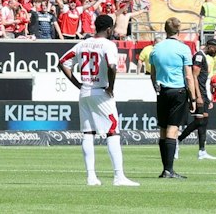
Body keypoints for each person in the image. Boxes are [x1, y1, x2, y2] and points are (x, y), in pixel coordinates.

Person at [57, 13, 136, 187]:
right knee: (112, 131)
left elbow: (62, 62)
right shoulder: (108, 45)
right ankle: (118, 176)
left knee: (88, 133)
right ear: (109, 29)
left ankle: (91, 177)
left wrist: (77, 83)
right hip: (101, 91)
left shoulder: (82, 44)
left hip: (85, 90)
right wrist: (111, 87)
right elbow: (112, 66)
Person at [148, 17, 195, 179]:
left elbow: (153, 75)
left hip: (162, 91)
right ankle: (169, 169)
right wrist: (193, 98)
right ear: (179, 30)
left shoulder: (156, 48)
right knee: (173, 129)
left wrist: (156, 88)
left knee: (162, 129)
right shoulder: (183, 49)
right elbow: (188, 77)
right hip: (178, 91)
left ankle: (165, 169)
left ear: (165, 30)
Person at [185, 37, 216, 161]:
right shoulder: (199, 56)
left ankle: (202, 150)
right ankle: (178, 140)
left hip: (203, 93)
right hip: (199, 94)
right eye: (215, 49)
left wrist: (208, 97)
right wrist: (198, 96)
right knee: (199, 121)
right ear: (209, 46)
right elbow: (194, 76)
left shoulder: (203, 57)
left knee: (204, 122)